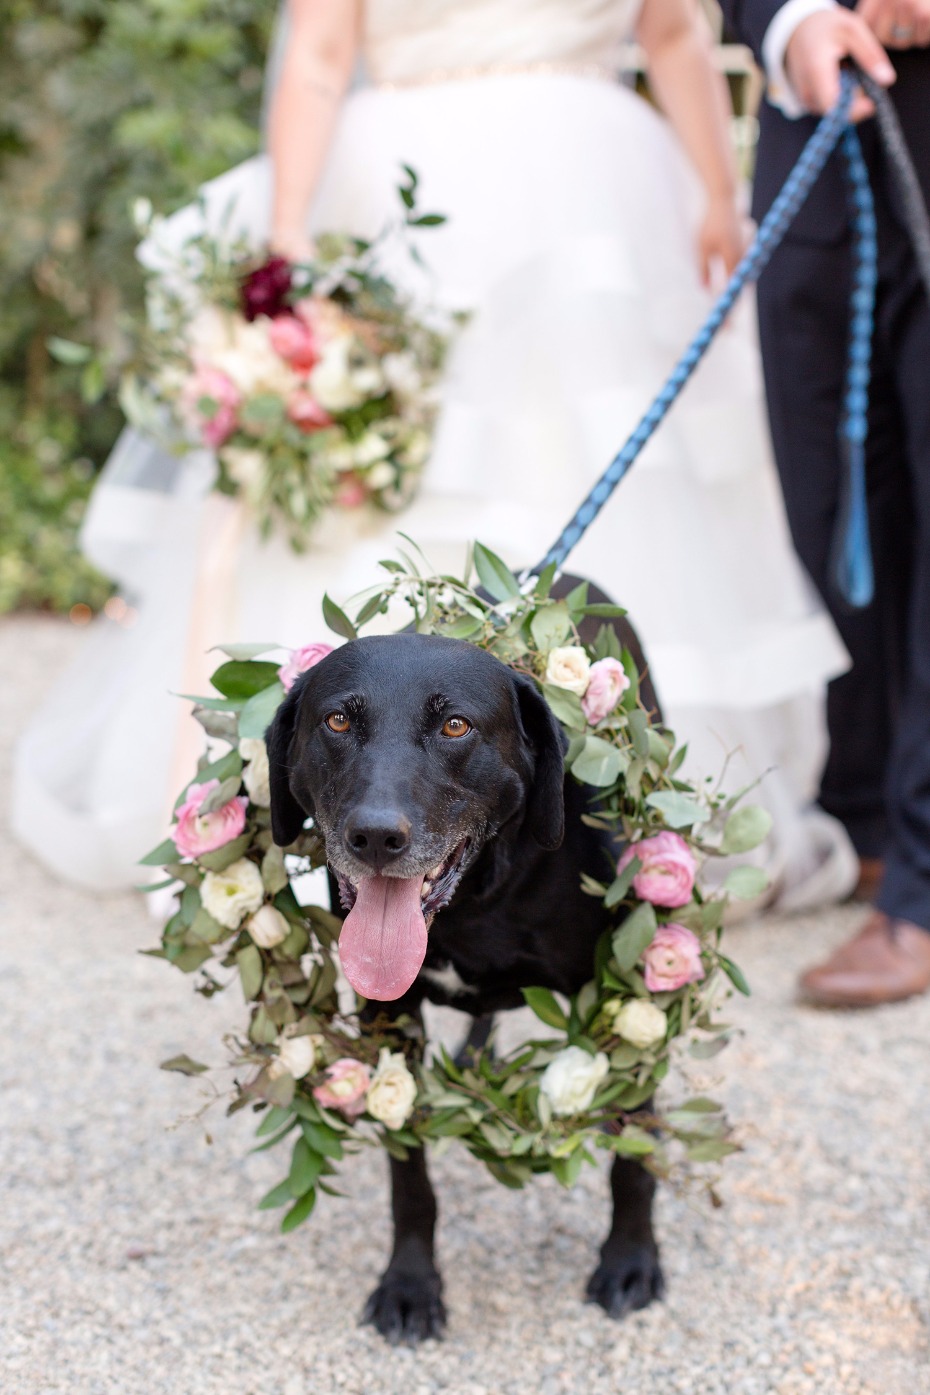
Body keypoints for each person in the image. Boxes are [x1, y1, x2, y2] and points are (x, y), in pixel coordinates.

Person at [13, 0, 854, 910]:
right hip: (406, 203)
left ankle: (615, 831)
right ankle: (334, 810)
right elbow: (320, 53)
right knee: (403, 498)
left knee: (614, 476)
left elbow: (675, 32)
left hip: (605, 195)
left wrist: (719, 198)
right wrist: (290, 252)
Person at [719, 0, 930, 1003]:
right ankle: (868, 815)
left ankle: (924, 882)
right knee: (831, 513)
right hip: (819, 156)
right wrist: (791, 18)